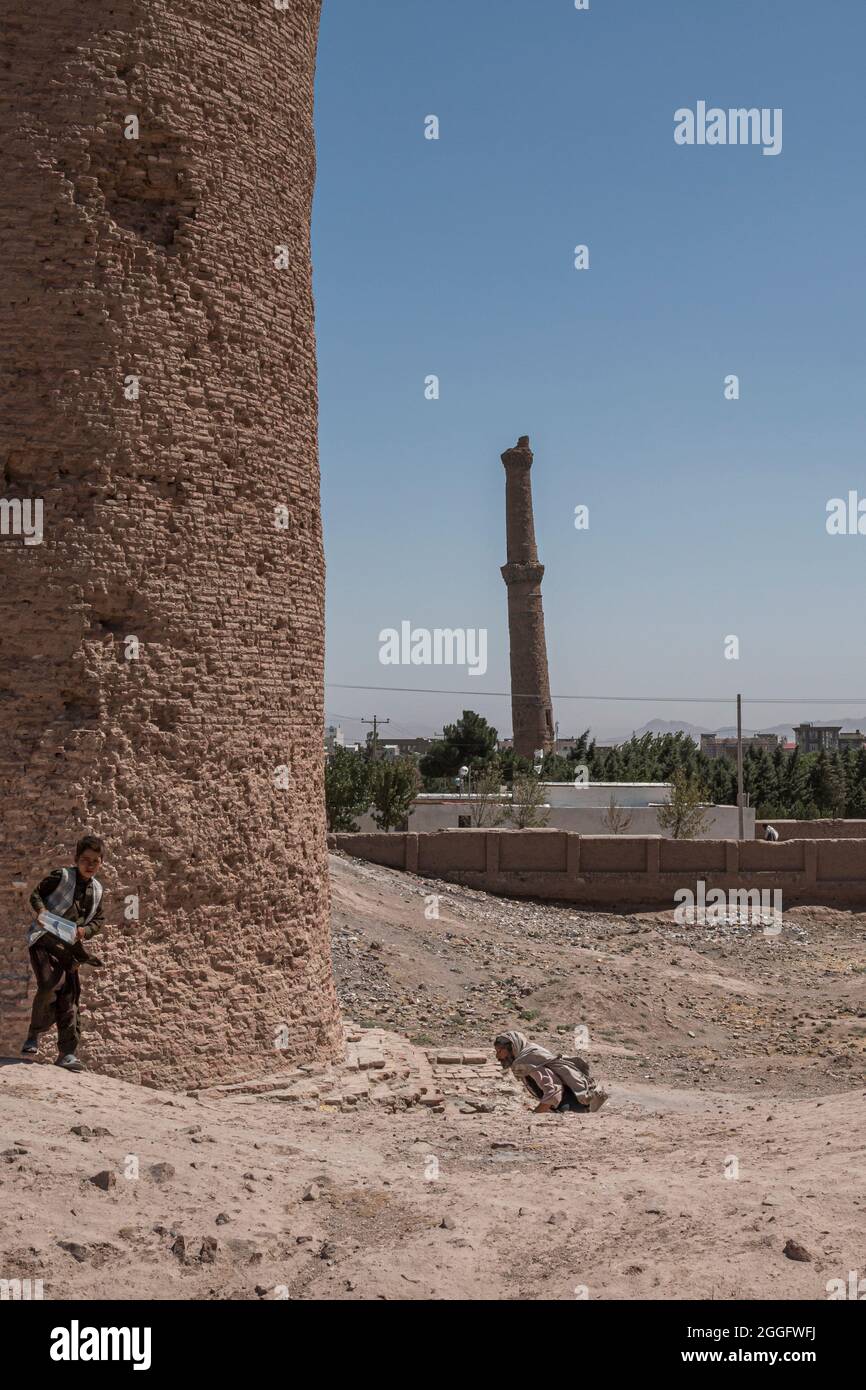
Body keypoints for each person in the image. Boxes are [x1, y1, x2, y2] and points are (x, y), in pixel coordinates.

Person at [21, 835, 106, 1072]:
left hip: (70, 950)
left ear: (100, 863)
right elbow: (36, 894)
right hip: (44, 941)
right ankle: (33, 1035)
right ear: (77, 859)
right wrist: (41, 911)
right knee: (49, 984)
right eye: (85, 859)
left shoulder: (97, 890)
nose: (90, 865)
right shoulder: (62, 876)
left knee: (70, 997)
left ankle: (67, 1053)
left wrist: (85, 930)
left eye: (95, 861)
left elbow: (99, 919)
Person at [494, 1030, 605, 1114]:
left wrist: (536, 1114)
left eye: (500, 1051)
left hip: (570, 1108)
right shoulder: (526, 1058)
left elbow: (553, 1092)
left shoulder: (530, 1062)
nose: (497, 1056)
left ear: (512, 1047)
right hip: (564, 1106)